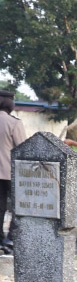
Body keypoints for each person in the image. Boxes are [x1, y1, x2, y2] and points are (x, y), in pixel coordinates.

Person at [0, 90, 27, 252]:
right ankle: (10, 238)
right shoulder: (14, 123)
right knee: (18, 207)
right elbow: (23, 149)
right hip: (10, 173)